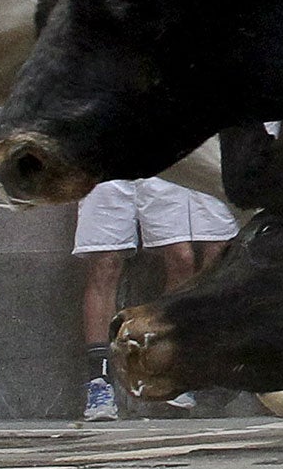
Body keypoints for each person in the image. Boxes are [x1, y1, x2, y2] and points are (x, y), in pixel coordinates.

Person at [73, 178, 236, 420]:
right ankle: (99, 381)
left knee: (181, 256)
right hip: (105, 158)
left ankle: (170, 367)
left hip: (160, 162)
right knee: (105, 264)